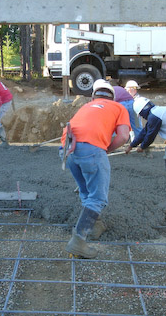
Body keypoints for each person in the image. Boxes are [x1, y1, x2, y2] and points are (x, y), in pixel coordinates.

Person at [61, 79, 130, 258]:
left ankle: (94, 225)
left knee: (86, 191)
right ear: (113, 97)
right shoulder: (118, 108)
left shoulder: (86, 107)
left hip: (69, 151)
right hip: (92, 150)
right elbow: (123, 137)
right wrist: (106, 150)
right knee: (98, 198)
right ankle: (78, 241)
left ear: (94, 96)